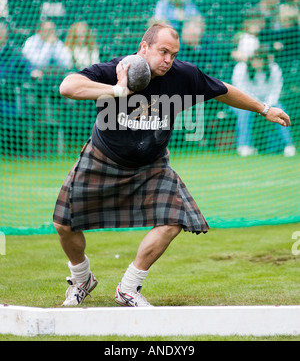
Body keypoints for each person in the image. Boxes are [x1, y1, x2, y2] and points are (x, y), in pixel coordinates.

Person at [53, 23, 291, 307]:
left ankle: (128, 288)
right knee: (64, 224)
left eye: (173, 54)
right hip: (103, 157)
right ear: (144, 47)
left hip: (152, 163)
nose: (168, 60)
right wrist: (118, 90)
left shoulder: (183, 75)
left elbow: (224, 90)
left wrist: (264, 109)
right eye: (163, 51)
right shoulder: (116, 70)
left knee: (174, 220)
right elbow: (67, 86)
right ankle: (82, 279)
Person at [231, 45, 295, 157]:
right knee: (244, 112)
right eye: (255, 59)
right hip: (243, 103)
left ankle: (288, 145)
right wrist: (257, 105)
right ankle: (244, 145)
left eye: (260, 59)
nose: (257, 62)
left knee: (280, 110)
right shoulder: (240, 68)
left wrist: (266, 106)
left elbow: (276, 90)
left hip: (269, 103)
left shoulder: (274, 68)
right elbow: (240, 91)